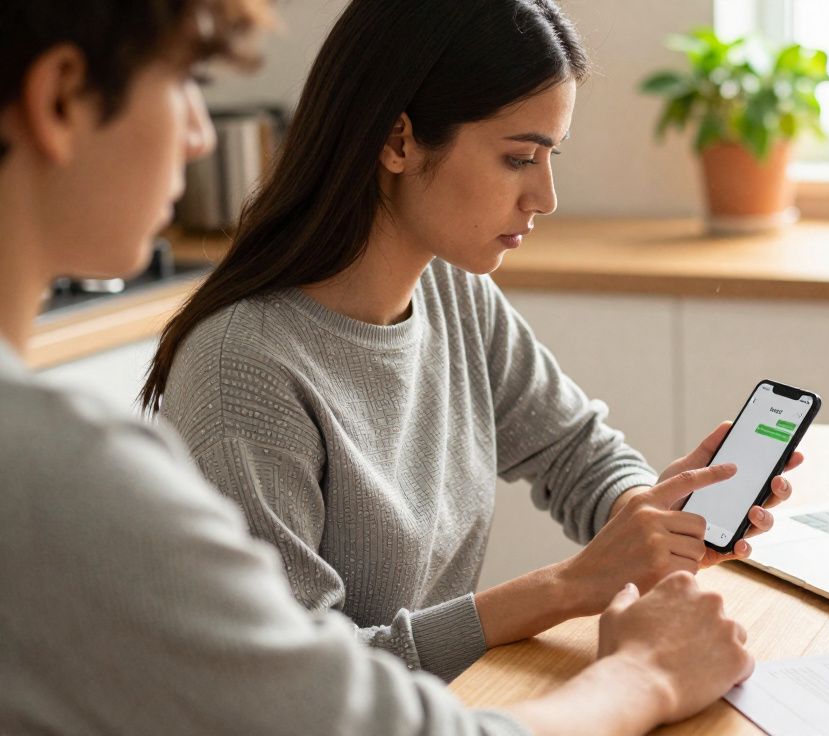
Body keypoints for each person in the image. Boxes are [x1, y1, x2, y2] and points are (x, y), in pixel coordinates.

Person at [0, 1, 753, 733]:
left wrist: (651, 520)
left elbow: (575, 450)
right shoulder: (232, 377)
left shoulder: (455, 292)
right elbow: (307, 700)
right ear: (398, 142)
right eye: (519, 156)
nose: (202, 135)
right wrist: (600, 629)